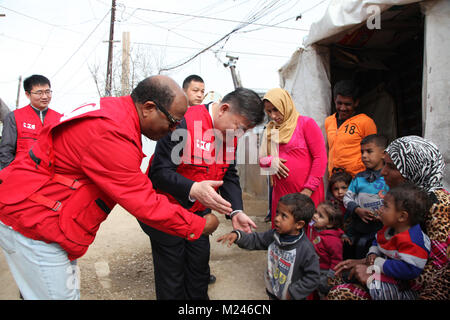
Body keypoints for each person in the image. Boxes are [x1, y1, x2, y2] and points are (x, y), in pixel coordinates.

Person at [0, 75, 221, 300]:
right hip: (34, 223)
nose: (174, 129)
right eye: (172, 121)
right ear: (148, 108)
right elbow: (143, 201)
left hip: (47, 218)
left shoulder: (115, 111)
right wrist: (198, 225)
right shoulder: (112, 131)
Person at [138, 87, 264, 300]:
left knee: (198, 269)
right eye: (239, 127)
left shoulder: (230, 136)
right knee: (172, 275)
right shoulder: (184, 123)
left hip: (198, 214)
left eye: (245, 131)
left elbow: (229, 175)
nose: (240, 135)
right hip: (166, 210)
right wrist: (193, 188)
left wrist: (236, 211)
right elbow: (159, 173)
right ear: (223, 109)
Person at [329, 183, 431, 300]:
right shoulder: (389, 228)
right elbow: (377, 242)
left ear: (402, 216)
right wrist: (373, 254)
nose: (380, 209)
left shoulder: (413, 241)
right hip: (384, 274)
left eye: (385, 206)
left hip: (400, 288)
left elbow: (410, 269)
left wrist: (376, 263)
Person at [381, 136, 449, 300]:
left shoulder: (439, 206)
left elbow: (436, 270)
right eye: (384, 164)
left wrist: (376, 273)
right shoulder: (401, 198)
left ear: (413, 170)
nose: (383, 172)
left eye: (391, 167)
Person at [217, 193, 320, 300]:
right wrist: (238, 236)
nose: (276, 219)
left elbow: (313, 277)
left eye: (283, 216)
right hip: (273, 293)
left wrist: (294, 292)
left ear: (299, 224)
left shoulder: (305, 249)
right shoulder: (274, 235)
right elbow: (256, 240)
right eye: (277, 213)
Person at [259, 88, 327, 228]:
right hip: (282, 194)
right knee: (283, 232)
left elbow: (320, 158)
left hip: (307, 193)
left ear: (286, 105)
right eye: (269, 111)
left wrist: (307, 191)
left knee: (307, 234)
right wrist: (271, 161)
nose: (273, 116)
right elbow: (261, 160)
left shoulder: (306, 124)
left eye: (276, 110)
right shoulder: (270, 130)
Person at [0, 74, 61, 169]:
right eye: (39, 93)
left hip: (52, 176)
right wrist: (10, 175)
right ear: (28, 94)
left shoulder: (59, 118)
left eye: (48, 92)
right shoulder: (14, 117)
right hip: (23, 174)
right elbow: (6, 151)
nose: (45, 96)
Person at [342, 134, 388, 259]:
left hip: (382, 228)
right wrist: (357, 210)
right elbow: (347, 198)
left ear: (383, 154)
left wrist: (385, 214)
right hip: (359, 228)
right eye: (362, 152)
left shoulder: (388, 177)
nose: (364, 156)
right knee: (358, 250)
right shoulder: (359, 178)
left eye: (369, 151)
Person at [325, 80, 377, 178]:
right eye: (339, 103)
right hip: (335, 181)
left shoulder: (365, 122)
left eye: (347, 104)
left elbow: (373, 153)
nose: (343, 108)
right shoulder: (329, 121)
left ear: (356, 102)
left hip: (358, 179)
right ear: (334, 100)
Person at [307, 201, 344, 297]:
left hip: (325, 272)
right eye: (315, 212)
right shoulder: (316, 229)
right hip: (316, 267)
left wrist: (330, 277)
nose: (315, 216)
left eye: (320, 216)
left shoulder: (332, 240)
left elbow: (337, 259)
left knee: (324, 293)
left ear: (330, 224)